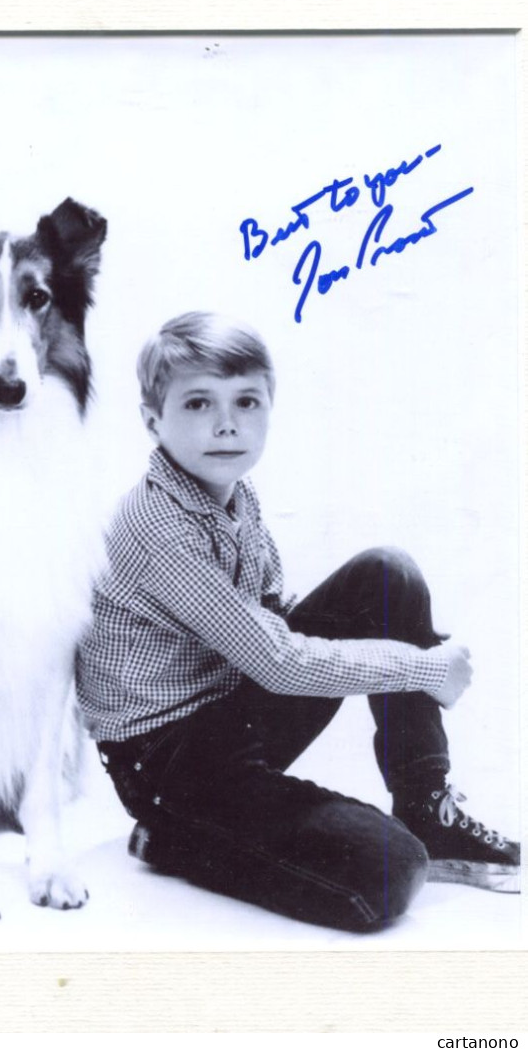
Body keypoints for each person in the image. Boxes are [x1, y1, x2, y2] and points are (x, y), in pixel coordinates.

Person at [76, 311, 520, 932]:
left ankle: (425, 807)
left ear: (268, 411)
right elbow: (280, 662)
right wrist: (423, 667)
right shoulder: (158, 525)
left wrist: (390, 656)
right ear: (153, 420)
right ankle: (177, 838)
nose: (227, 423)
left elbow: (271, 620)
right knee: (390, 871)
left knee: (385, 576)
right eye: (199, 402)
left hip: (231, 708)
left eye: (247, 401)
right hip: (169, 761)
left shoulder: (231, 489)